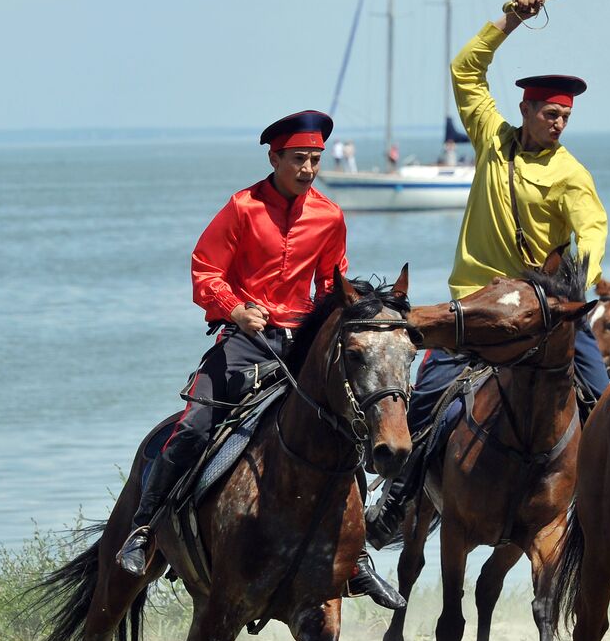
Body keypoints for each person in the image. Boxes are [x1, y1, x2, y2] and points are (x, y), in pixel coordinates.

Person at [113, 110, 405, 609]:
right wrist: (235, 309)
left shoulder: (331, 217)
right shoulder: (242, 208)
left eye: (314, 159)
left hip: (304, 340)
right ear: (275, 157)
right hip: (246, 338)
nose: (309, 168)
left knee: (350, 426)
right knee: (194, 424)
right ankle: (144, 529)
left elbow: (333, 286)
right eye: (299, 159)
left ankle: (355, 557)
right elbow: (205, 270)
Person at [365, 0, 610, 549]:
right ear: (524, 109)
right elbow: (466, 69)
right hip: (470, 306)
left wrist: (580, 285)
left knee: (603, 400)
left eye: (566, 117)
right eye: (550, 114)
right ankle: (396, 502)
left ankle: (609, 509)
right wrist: (510, 21)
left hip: (540, 315)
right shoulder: (491, 140)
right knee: (423, 402)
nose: (558, 125)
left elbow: (593, 229)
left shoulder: (571, 173)